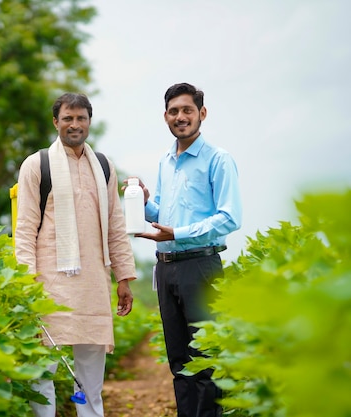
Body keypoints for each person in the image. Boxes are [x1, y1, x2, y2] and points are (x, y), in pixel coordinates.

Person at [14, 92, 137, 417]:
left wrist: (123, 276)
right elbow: (25, 229)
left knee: (90, 380)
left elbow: (114, 224)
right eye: (68, 118)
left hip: (92, 285)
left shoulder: (103, 166)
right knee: (43, 372)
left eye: (81, 118)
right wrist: (25, 284)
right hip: (47, 286)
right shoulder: (37, 164)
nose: (74, 124)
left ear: (89, 122)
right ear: (56, 122)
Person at [133, 83, 242, 417]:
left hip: (201, 267)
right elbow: (165, 214)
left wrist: (178, 233)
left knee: (207, 360)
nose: (180, 117)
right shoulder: (167, 161)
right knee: (178, 361)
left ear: (201, 114)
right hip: (166, 268)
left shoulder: (218, 160)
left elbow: (229, 218)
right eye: (174, 111)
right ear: (165, 116)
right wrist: (148, 203)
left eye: (187, 110)